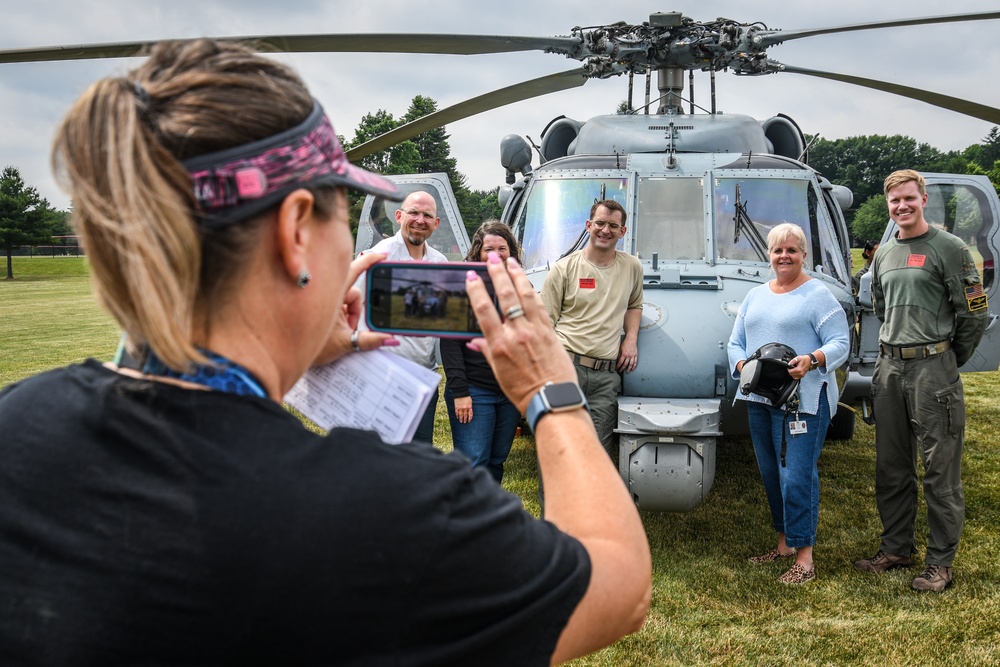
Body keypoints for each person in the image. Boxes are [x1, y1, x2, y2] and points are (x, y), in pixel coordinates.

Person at [0, 39, 651, 664]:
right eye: (342, 216)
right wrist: (553, 392)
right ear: (294, 233)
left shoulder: (20, 422)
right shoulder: (395, 510)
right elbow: (617, 584)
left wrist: (300, 348)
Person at [855, 169, 988, 592]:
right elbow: (878, 302)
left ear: (923, 199)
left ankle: (940, 563)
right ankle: (896, 547)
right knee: (892, 467)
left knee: (939, 471)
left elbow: (975, 310)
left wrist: (949, 358)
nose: (902, 207)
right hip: (890, 368)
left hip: (934, 368)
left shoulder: (950, 248)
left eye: (909, 199)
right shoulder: (884, 253)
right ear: (888, 205)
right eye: (895, 201)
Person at [728, 223, 850, 585]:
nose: (784, 256)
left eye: (791, 250)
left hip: (804, 402)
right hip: (760, 399)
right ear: (769, 255)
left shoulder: (818, 296)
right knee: (771, 475)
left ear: (803, 255)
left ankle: (805, 558)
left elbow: (840, 342)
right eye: (778, 250)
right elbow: (735, 342)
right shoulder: (755, 295)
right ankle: (783, 544)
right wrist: (742, 366)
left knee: (796, 477)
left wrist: (812, 360)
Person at [540, 199, 643, 456]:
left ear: (623, 231)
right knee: (559, 444)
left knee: (597, 451)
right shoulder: (563, 269)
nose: (605, 230)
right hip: (566, 367)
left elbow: (634, 305)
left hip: (605, 375)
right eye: (600, 223)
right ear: (588, 225)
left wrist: (630, 338)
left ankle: (590, 498)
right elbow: (543, 325)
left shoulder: (632, 267)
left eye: (613, 225)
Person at [359, 189, 447, 443]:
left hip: (424, 378)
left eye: (427, 215)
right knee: (384, 454)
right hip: (384, 377)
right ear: (399, 216)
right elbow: (349, 305)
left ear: (436, 223)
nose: (420, 220)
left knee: (419, 455)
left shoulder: (440, 264)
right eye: (414, 212)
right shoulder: (378, 257)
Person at [441, 221, 522, 483]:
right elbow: (450, 342)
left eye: (502, 248)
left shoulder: (520, 288)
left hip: (508, 392)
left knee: (497, 460)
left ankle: (488, 518)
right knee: (473, 463)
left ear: (512, 252)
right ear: (477, 252)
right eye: (489, 249)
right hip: (475, 390)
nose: (495, 255)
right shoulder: (464, 286)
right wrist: (461, 392)